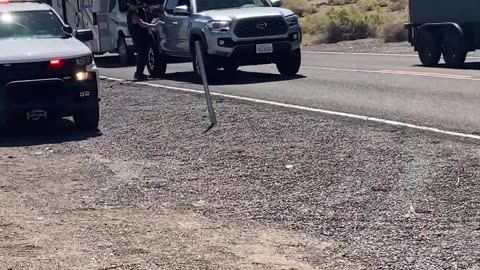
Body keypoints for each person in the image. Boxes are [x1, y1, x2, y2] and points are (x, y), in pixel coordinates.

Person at [127, 0, 161, 81]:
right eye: (136, 5)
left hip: (139, 36)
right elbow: (142, 24)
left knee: (143, 54)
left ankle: (139, 73)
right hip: (138, 37)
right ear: (132, 5)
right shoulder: (133, 14)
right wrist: (154, 25)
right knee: (142, 55)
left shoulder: (133, 13)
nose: (137, 7)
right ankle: (139, 73)